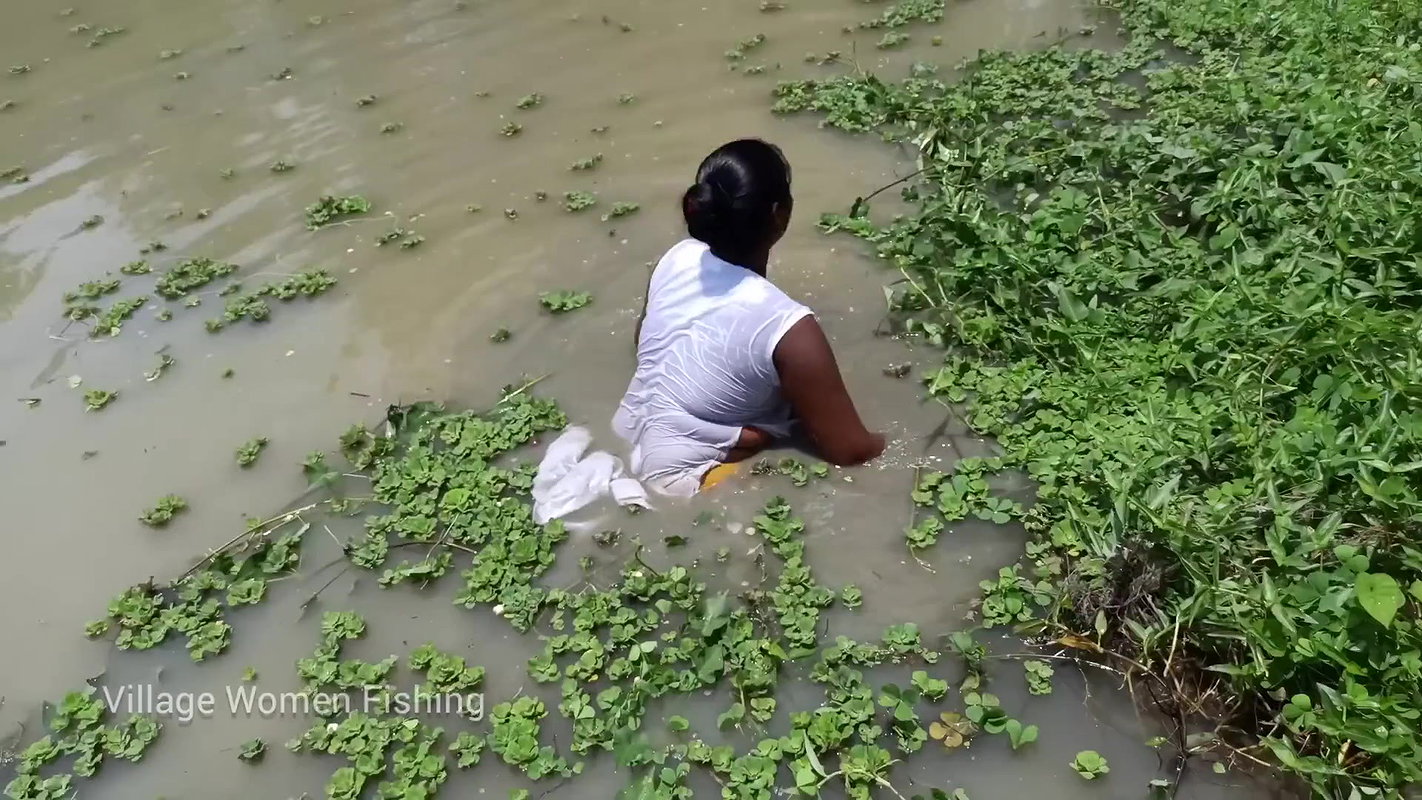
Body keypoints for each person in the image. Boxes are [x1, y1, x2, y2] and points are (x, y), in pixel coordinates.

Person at [612, 138, 885, 496]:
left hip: (624, 433)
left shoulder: (676, 259)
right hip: (683, 486)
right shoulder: (788, 328)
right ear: (779, 215)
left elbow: (646, 348)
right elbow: (852, 453)